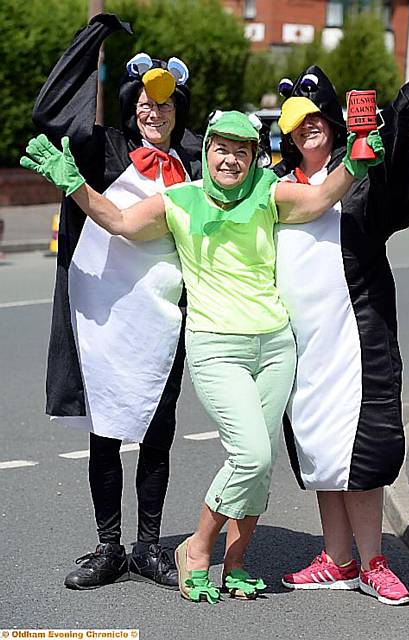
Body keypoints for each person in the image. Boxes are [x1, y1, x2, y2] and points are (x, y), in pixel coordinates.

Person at [21, 109, 384, 603]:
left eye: (242, 150)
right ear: (207, 150)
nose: (230, 159)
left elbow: (321, 196)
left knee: (262, 463)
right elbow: (121, 222)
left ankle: (235, 563)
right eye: (221, 148)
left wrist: (357, 163)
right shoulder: (179, 200)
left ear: (255, 156)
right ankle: (197, 547)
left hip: (276, 346)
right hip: (217, 347)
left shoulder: (268, 193)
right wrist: (74, 183)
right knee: (250, 454)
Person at [31, 13, 201, 590]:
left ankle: (149, 547)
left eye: (169, 106)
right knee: (104, 435)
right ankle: (108, 547)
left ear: (180, 114)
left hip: (165, 318)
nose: (157, 115)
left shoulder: (195, 164)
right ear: (134, 109)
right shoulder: (103, 149)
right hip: (103, 320)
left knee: (158, 437)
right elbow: (51, 112)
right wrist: (94, 35)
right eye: (148, 107)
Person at [272, 67, 409, 606]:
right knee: (319, 449)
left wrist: (398, 135)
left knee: (360, 449)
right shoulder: (275, 183)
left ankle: (374, 561)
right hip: (301, 345)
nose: (309, 128)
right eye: (299, 123)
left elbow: (406, 198)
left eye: (318, 117)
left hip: (356, 338)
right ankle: (338, 560)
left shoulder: (362, 172)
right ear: (288, 133)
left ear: (333, 121)